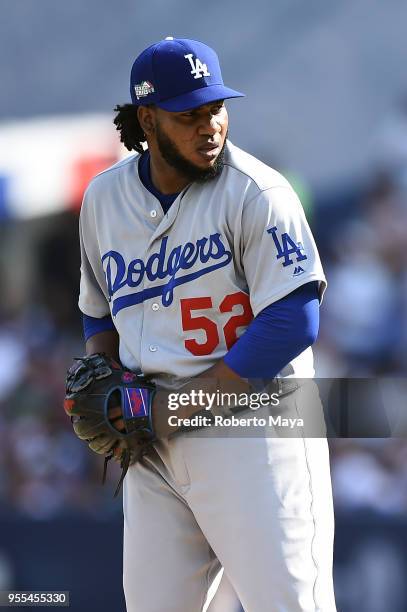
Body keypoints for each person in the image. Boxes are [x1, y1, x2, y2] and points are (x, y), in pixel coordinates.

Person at [78, 36, 337, 612]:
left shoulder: (257, 192)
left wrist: (176, 408)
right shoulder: (102, 199)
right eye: (189, 115)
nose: (210, 126)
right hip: (151, 448)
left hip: (255, 431)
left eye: (216, 108)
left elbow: (293, 320)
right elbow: (97, 311)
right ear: (148, 119)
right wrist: (107, 375)